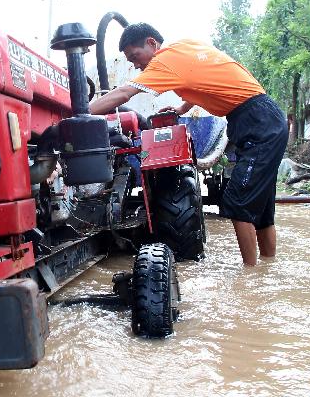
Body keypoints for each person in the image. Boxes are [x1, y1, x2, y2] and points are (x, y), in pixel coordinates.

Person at [89, 23, 288, 266]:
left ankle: (251, 276)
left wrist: (78, 114)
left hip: (257, 122)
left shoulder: (163, 61)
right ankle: (268, 268)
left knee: (237, 203)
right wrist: (182, 108)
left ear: (152, 43)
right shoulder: (184, 48)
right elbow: (208, 80)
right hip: (262, 117)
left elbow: (124, 93)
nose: (135, 64)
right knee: (263, 211)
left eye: (135, 56)